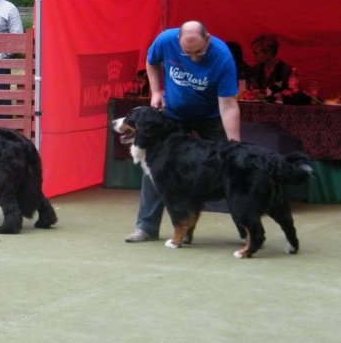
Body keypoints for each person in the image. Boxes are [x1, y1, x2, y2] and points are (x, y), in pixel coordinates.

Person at [125, 21, 240, 243]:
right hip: (173, 115)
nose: (193, 57)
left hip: (211, 117)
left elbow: (228, 104)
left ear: (208, 39)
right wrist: (156, 91)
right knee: (156, 168)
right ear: (178, 41)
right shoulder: (165, 40)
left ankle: (245, 231)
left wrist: (234, 143)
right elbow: (151, 63)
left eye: (198, 52)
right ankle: (146, 227)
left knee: (231, 168)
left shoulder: (222, 57)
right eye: (187, 53)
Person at [246, 34, 292, 98]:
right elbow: (249, 87)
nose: (254, 57)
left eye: (256, 53)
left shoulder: (284, 70)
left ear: (269, 52)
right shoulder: (255, 69)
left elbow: (287, 89)